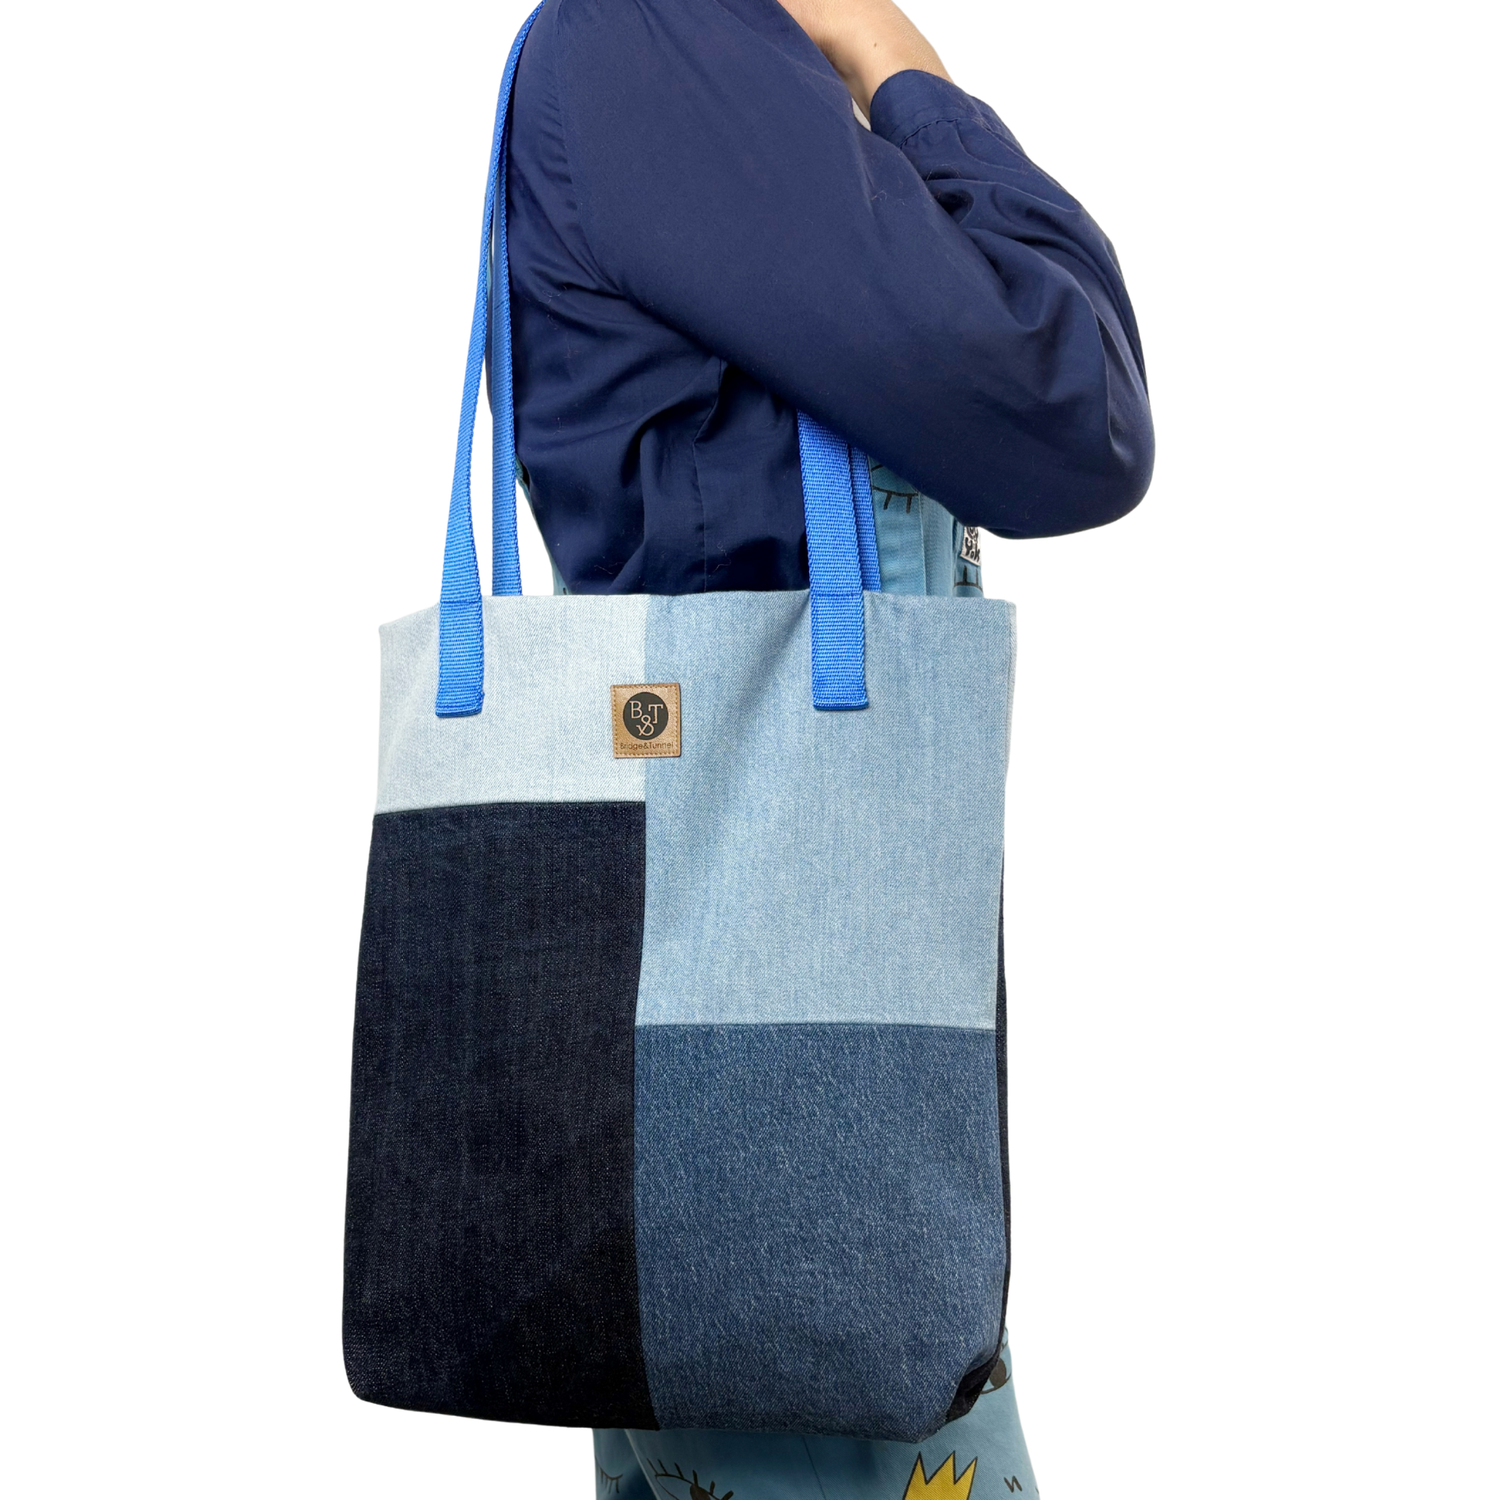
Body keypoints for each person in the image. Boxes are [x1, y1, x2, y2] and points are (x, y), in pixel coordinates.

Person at [504, 0, 1153, 1493]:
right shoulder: (666, 32)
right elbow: (1073, 408)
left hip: (744, 983)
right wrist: (891, 58)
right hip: (779, 1007)